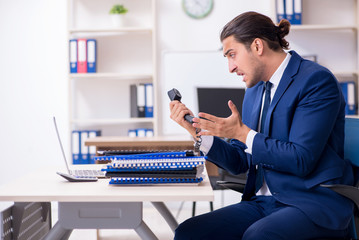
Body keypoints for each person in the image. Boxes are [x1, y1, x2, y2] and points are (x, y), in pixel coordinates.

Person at [169, 11, 354, 240]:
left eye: (232, 55)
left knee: (259, 235)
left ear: (257, 46)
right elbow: (240, 162)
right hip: (264, 203)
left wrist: (242, 133)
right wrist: (197, 132)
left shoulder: (315, 81)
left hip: (311, 203)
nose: (230, 67)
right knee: (189, 232)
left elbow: (301, 159)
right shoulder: (255, 90)